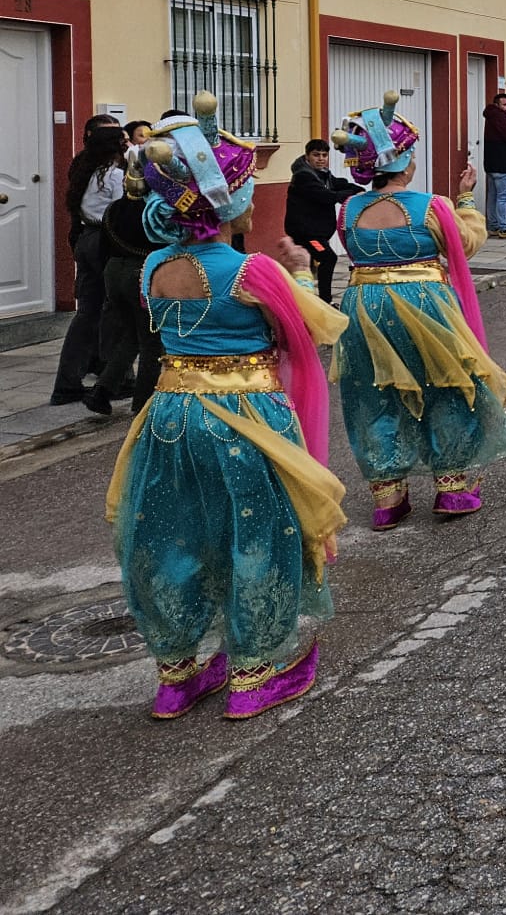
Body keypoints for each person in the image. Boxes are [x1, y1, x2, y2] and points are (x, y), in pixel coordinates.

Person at [106, 97, 348, 720]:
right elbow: (316, 327)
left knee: (170, 533)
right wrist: (300, 272)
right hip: (245, 417)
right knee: (257, 534)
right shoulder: (251, 270)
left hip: (169, 416)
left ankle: (176, 674)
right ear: (227, 202)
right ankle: (253, 674)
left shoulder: (154, 266)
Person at [331, 90, 506, 528]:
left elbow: (354, 254)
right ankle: (451, 487)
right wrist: (466, 201)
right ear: (403, 161)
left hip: (364, 305)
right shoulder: (431, 206)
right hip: (425, 302)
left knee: (373, 394)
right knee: (446, 386)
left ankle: (388, 497)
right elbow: (464, 247)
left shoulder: (348, 210)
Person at [50, 116, 128, 405]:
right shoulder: (115, 175)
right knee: (114, 311)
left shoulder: (86, 170)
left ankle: (67, 382)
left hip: (86, 238)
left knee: (87, 313)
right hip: (106, 241)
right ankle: (116, 378)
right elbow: (122, 209)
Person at [92, 148, 166, 415]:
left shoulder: (114, 209)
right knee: (151, 343)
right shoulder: (154, 212)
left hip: (113, 272)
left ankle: (102, 391)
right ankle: (143, 404)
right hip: (141, 275)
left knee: (131, 337)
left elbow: (103, 247)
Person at [284, 139, 363, 302]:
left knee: (306, 266)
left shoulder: (323, 174)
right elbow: (327, 196)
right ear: (307, 156)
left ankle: (302, 300)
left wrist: (360, 190)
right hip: (308, 235)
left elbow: (339, 184)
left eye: (324, 155)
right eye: (316, 155)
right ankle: (325, 300)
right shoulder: (303, 176)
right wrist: (351, 194)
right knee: (328, 258)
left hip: (316, 233)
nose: (321, 159)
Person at [482, 91, 506, 237]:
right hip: (503, 165)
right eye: (505, 104)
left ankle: (493, 226)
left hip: (491, 165)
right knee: (503, 197)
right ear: (497, 105)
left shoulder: (491, 117)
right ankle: (503, 228)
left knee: (493, 196)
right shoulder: (500, 118)